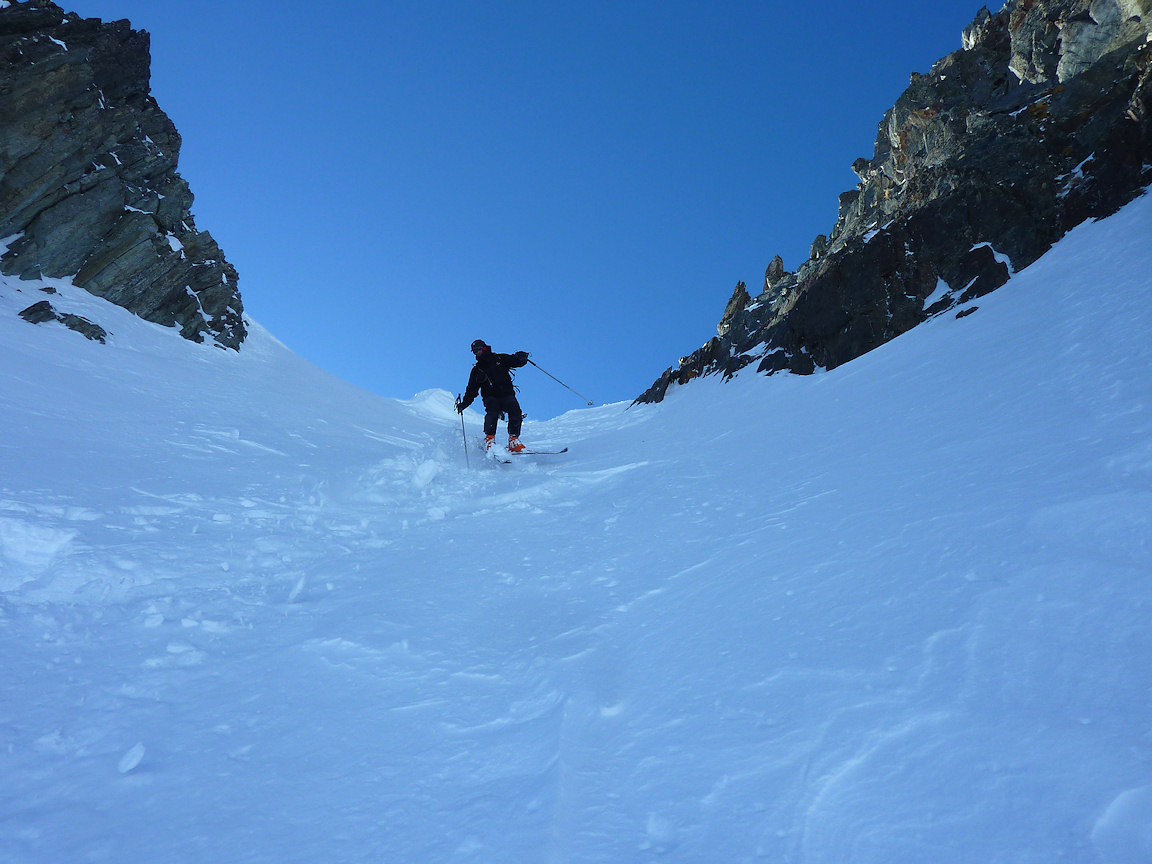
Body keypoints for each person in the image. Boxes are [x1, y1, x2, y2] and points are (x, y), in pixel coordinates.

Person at [455, 339, 530, 452]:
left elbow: (516, 361)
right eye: (474, 351)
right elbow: (471, 390)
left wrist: (522, 357)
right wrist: (464, 404)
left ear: (484, 348)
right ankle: (489, 440)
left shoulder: (499, 358)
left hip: (507, 394)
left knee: (515, 412)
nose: (477, 353)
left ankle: (513, 440)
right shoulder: (477, 370)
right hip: (490, 396)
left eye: (478, 349)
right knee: (492, 413)